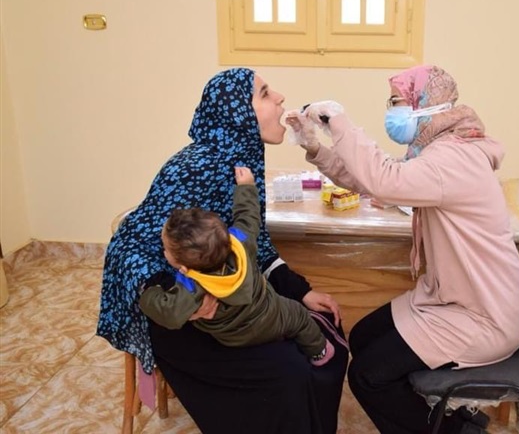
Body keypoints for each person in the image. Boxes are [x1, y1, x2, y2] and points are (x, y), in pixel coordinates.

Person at [97, 68, 348, 434]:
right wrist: (184, 301)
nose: (279, 97)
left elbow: (251, 240)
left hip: (222, 297)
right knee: (287, 370)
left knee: (325, 335)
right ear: (237, 113)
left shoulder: (240, 159)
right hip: (179, 309)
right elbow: (130, 246)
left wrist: (300, 290)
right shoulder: (193, 167)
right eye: (264, 93)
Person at [291, 65, 519, 433]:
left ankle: (456, 431)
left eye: (397, 102)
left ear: (426, 104)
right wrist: (316, 148)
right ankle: (447, 418)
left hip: (483, 315)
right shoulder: (440, 149)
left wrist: (339, 122)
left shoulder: (453, 159)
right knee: (363, 337)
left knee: (368, 377)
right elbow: (371, 180)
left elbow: (383, 181)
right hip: (453, 299)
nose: (393, 111)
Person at [139, 166, 334, 366]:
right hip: (273, 315)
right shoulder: (240, 242)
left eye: (165, 248)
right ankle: (320, 353)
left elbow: (168, 312)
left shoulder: (191, 286)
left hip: (234, 340)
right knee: (299, 315)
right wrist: (246, 187)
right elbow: (249, 216)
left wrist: (148, 293)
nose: (163, 251)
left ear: (182, 265)